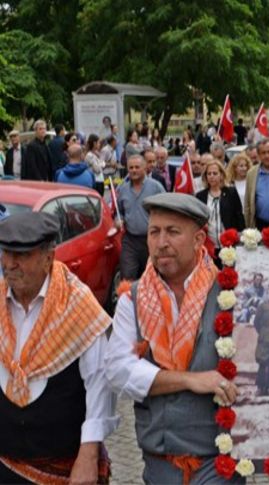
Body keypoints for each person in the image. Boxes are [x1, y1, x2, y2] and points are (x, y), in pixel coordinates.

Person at [105, 193, 243, 484]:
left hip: (218, 459)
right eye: (154, 232)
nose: (161, 242)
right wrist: (190, 379)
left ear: (198, 239)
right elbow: (118, 370)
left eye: (173, 232)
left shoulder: (230, 294)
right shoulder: (133, 298)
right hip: (159, 458)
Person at [0, 212, 116, 484]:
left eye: (23, 256)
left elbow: (100, 382)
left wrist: (89, 454)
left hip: (63, 468)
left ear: (48, 257)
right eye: (7, 253)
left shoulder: (77, 304)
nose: (11, 265)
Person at [116, 155, 165, 280]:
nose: (133, 170)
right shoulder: (122, 189)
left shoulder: (156, 187)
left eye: (137, 167)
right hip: (130, 241)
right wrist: (118, 218)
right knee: (127, 276)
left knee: (152, 277)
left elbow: (167, 210)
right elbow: (118, 211)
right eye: (131, 167)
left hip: (152, 240)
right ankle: (127, 299)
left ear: (144, 168)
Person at [196, 159, 245, 253]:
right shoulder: (200, 196)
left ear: (221, 175)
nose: (211, 176)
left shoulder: (231, 192)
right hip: (209, 246)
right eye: (209, 174)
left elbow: (239, 216)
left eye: (215, 173)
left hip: (229, 244)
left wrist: (241, 237)